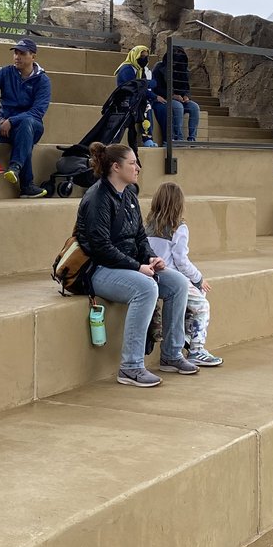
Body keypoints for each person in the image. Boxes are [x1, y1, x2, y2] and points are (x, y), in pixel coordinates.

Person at [76, 142, 196, 386]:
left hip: (125, 266)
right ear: (115, 167)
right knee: (146, 287)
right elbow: (101, 248)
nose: (138, 167)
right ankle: (130, 367)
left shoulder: (128, 194)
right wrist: (137, 267)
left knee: (178, 283)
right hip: (98, 270)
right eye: (132, 163)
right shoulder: (98, 198)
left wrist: (151, 258)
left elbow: (140, 237)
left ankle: (171, 355)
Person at [146, 181, 222, 366]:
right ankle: (196, 349)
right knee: (202, 305)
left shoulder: (148, 224)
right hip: (172, 277)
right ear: (179, 204)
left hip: (151, 274)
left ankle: (186, 338)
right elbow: (181, 261)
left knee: (193, 301)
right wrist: (199, 278)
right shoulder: (178, 227)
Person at [0, 37, 51, 198]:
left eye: (22, 53)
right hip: (4, 128)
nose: (17, 57)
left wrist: (12, 121)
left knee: (26, 123)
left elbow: (38, 111)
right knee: (23, 136)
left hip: (33, 126)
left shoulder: (43, 80)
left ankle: (15, 167)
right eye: (15, 53)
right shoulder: (5, 72)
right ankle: (26, 185)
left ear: (33, 57)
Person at [151, 46, 200, 144]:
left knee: (194, 107)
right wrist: (172, 95)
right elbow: (156, 88)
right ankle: (178, 138)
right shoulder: (159, 67)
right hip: (165, 97)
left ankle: (192, 139)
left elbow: (186, 87)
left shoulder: (183, 69)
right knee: (178, 107)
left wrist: (186, 96)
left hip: (180, 98)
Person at [114, 44, 156, 146]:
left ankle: (147, 138)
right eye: (142, 56)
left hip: (135, 98)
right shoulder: (126, 69)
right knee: (145, 107)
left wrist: (147, 85)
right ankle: (114, 142)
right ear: (135, 56)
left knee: (146, 105)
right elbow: (135, 86)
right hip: (125, 99)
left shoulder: (139, 70)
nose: (144, 59)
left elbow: (148, 84)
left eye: (146, 57)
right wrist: (148, 86)